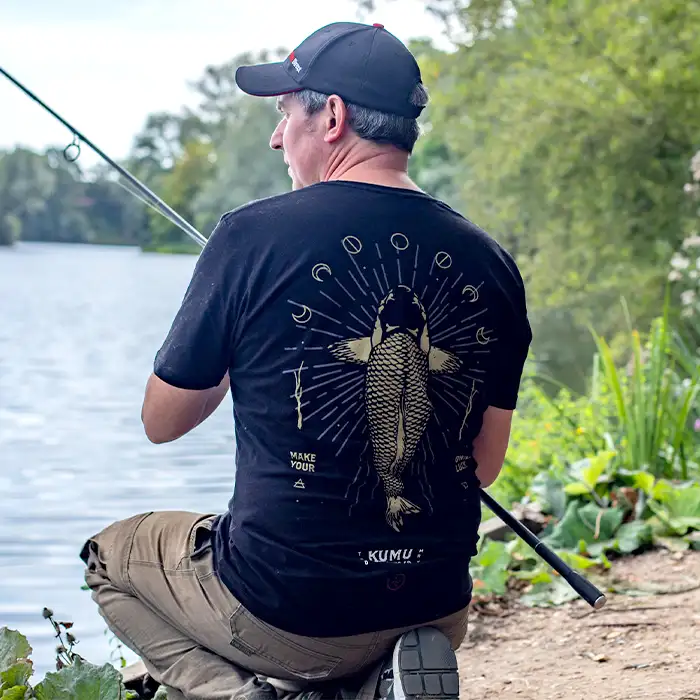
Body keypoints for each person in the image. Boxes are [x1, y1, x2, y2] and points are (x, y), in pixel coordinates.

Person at [79, 20, 532, 700]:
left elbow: (161, 420)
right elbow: (486, 463)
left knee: (111, 556)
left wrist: (236, 342)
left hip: (290, 614)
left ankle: (235, 693)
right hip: (435, 608)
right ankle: (375, 680)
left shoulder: (248, 236)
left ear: (333, 117)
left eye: (284, 111)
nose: (274, 134)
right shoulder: (493, 264)